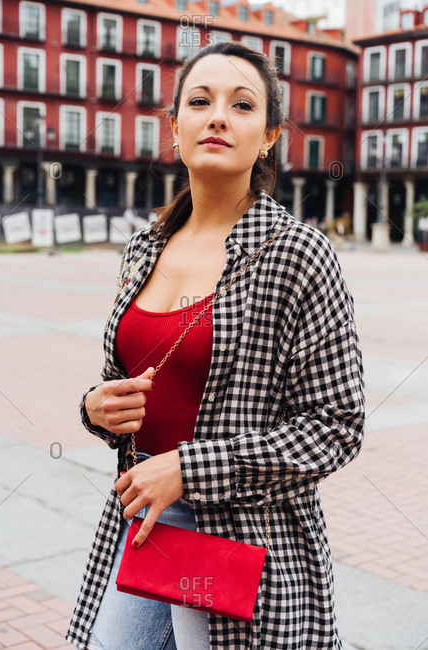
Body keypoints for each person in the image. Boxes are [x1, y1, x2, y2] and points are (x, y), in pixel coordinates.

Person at [66, 41, 364, 650]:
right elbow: (119, 386)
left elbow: (336, 427)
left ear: (270, 135)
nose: (219, 116)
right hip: (143, 527)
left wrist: (189, 468)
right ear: (175, 129)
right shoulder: (144, 249)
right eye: (200, 101)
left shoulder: (298, 254)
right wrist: (97, 408)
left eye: (242, 104)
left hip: (246, 541)